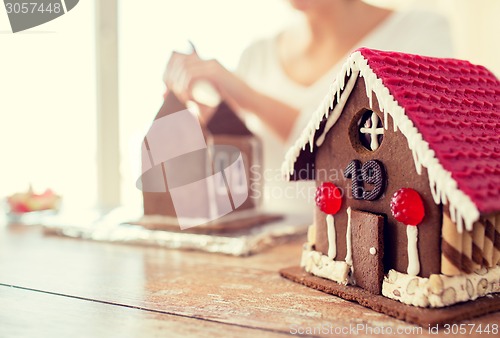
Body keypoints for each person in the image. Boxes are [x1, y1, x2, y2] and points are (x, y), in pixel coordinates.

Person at [163, 0, 454, 215]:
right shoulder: (257, 54)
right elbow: (244, 166)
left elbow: (391, 150)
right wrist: (204, 117)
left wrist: (248, 95)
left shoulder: (419, 32)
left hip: (365, 251)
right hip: (261, 252)